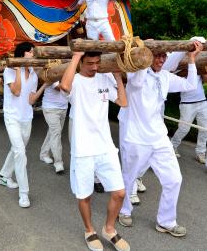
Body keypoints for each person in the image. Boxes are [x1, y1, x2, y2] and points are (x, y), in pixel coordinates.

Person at [118, 41, 203, 237]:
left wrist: (191, 59)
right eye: (157, 55)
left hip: (159, 138)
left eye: (164, 56)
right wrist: (143, 55)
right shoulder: (135, 73)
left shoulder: (165, 76)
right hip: (136, 138)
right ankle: (124, 210)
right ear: (148, 56)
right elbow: (138, 83)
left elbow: (190, 85)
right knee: (129, 177)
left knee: (174, 179)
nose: (161, 59)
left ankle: (166, 221)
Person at [60, 51, 130, 251]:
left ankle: (109, 229)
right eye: (90, 63)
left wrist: (117, 77)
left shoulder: (103, 78)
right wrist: (75, 56)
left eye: (97, 62)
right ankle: (89, 230)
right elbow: (64, 86)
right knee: (84, 195)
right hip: (83, 148)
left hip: (105, 146)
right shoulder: (75, 81)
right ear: (81, 62)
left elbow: (123, 102)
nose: (94, 67)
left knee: (119, 192)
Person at [0, 42, 47, 208]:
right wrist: (18, 69)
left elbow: (31, 100)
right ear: (22, 53)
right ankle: (24, 194)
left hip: (27, 117)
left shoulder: (33, 73)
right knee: (20, 152)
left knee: (16, 149)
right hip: (12, 117)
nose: (33, 54)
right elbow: (17, 91)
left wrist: (45, 85)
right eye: (30, 51)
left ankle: (4, 175)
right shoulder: (9, 70)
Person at [162, 37, 207, 164]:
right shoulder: (178, 63)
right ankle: (172, 147)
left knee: (205, 129)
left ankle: (200, 152)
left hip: (202, 101)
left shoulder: (199, 62)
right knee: (183, 129)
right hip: (187, 103)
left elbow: (205, 79)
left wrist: (202, 69)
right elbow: (171, 73)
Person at [39, 81, 68, 174]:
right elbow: (61, 87)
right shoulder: (52, 69)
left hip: (63, 107)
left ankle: (43, 154)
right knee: (56, 133)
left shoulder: (67, 72)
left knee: (53, 132)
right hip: (50, 108)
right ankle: (58, 163)